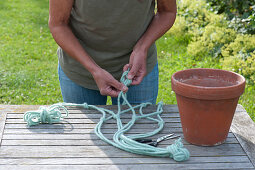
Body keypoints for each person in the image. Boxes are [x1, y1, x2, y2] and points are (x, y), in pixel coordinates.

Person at [49, 0, 177, 105]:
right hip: (81, 72)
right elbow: (58, 24)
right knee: (84, 134)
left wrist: (141, 48)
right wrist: (93, 69)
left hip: (137, 71)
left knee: (137, 133)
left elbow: (167, 12)